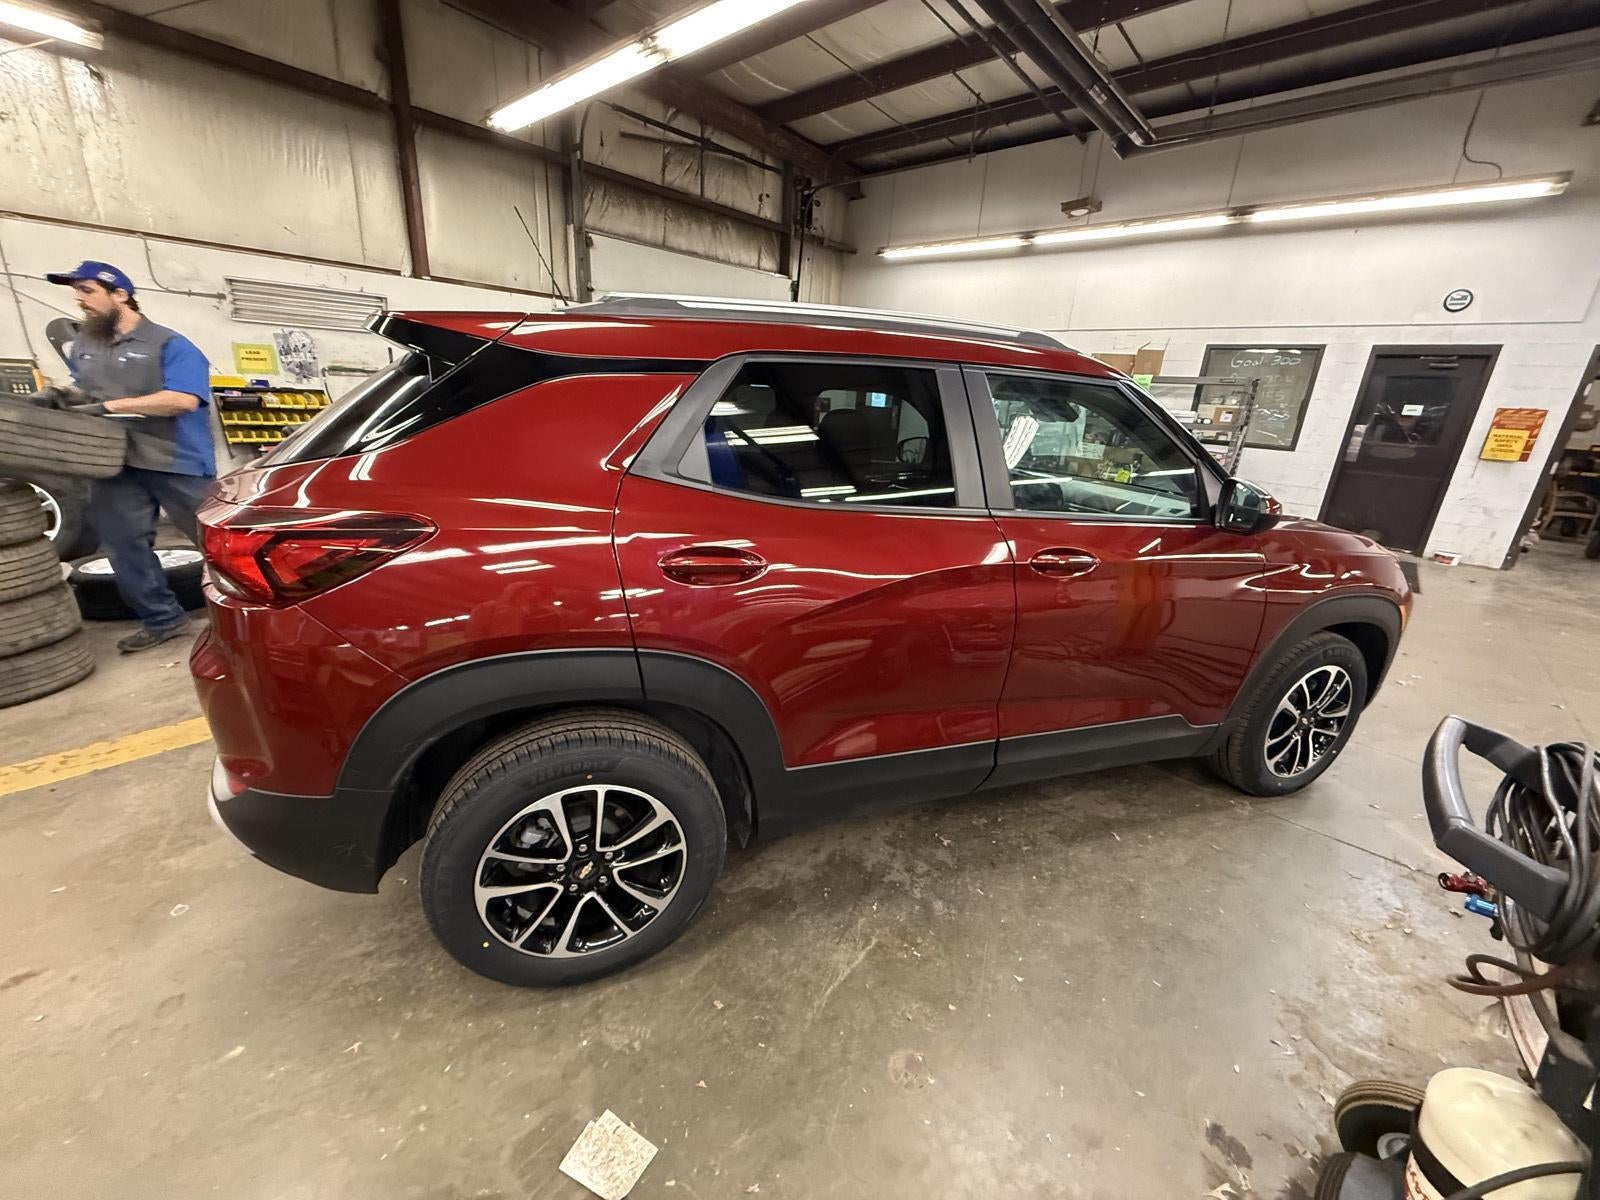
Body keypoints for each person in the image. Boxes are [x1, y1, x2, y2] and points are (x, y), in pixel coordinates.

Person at [43, 261, 216, 653]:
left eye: (87, 291)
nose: (79, 300)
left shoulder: (170, 344)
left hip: (175, 459)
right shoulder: (86, 346)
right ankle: (162, 619)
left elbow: (183, 399)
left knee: (216, 542)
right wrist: (67, 398)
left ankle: (247, 612)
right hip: (113, 461)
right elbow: (88, 391)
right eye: (77, 292)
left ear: (120, 294)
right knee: (123, 545)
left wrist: (109, 408)